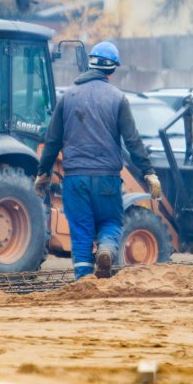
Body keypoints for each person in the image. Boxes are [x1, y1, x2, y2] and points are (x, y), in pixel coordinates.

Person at [34, 41, 162, 280]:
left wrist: (43, 173)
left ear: (90, 63)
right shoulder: (118, 98)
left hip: (75, 178)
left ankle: (83, 280)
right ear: (112, 69)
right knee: (111, 222)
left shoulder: (68, 96)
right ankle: (105, 249)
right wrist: (149, 172)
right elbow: (133, 140)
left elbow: (52, 141)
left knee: (81, 231)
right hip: (107, 178)